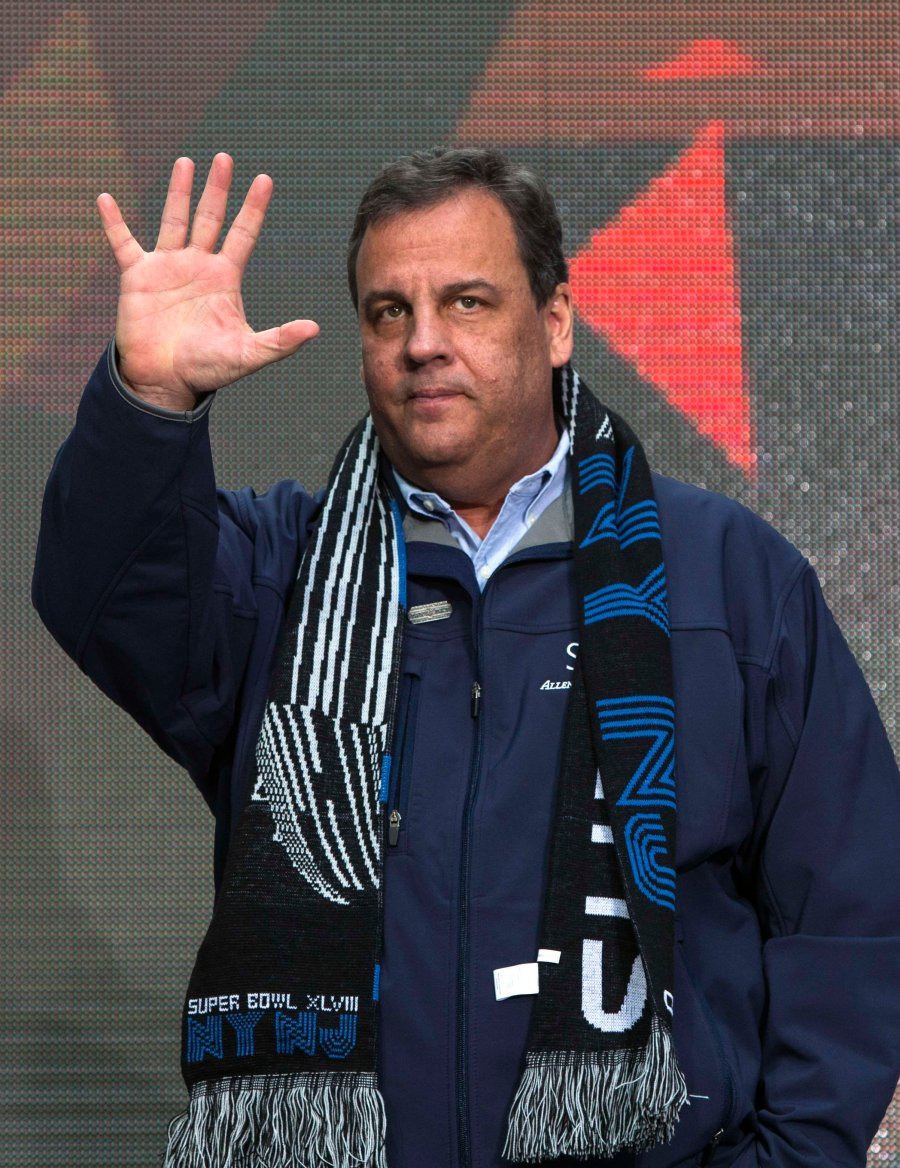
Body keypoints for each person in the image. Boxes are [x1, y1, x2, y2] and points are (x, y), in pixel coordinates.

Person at [33, 149, 899, 1168]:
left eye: (469, 302)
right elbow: (105, 592)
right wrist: (149, 401)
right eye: (389, 311)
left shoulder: (728, 581)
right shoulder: (281, 574)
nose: (423, 343)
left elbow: (851, 917)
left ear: (557, 322)